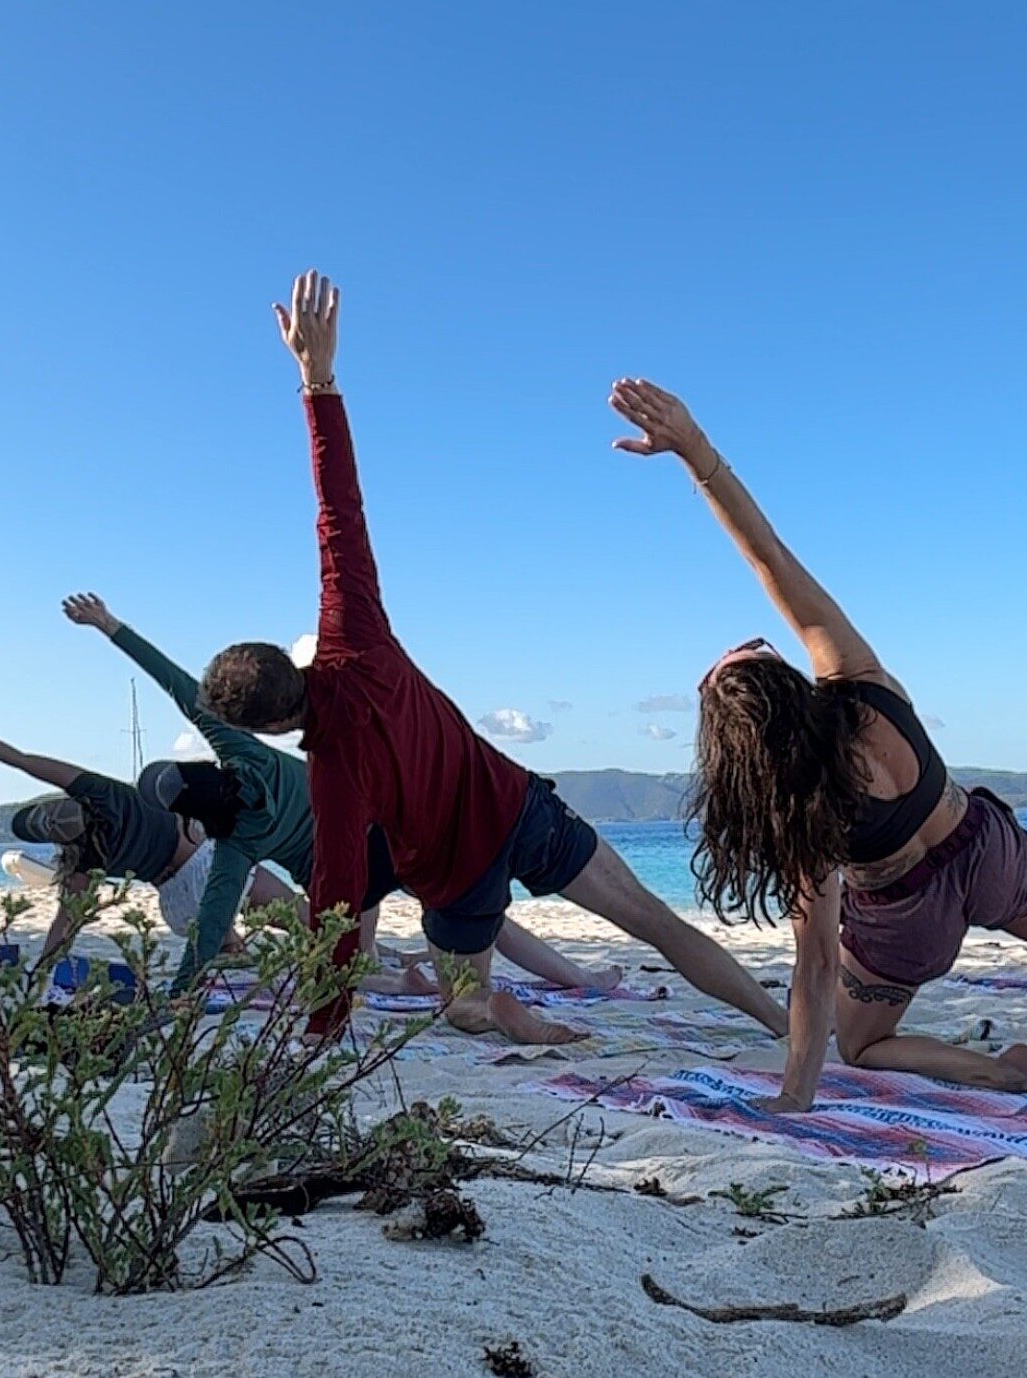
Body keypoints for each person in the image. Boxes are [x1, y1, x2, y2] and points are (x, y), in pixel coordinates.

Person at [195, 269, 788, 1046]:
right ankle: (786, 1022)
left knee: (464, 1003)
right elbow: (338, 509)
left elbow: (336, 902)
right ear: (287, 659)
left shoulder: (331, 772)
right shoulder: (354, 632)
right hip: (518, 806)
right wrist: (317, 380)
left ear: (273, 724)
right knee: (649, 918)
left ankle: (496, 1007)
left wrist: (321, 1024)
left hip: (458, 878)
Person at [608, 374, 1027, 1106]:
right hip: (987, 851)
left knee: (861, 1046)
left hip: (901, 922)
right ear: (786, 681)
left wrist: (795, 1097)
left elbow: (818, 964)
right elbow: (768, 556)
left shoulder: (798, 808)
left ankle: (1003, 1071)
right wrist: (693, 447)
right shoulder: (857, 680)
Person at [61, 593, 624, 998]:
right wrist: (111, 626)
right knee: (481, 915)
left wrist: (176, 996)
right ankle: (583, 979)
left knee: (333, 963)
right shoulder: (240, 749)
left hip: (345, 877)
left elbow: (210, 932)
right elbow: (181, 687)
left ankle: (398, 979)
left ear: (191, 820)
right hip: (385, 831)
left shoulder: (233, 844)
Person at [0, 714, 214, 956]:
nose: (53, 817)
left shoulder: (94, 791)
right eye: (47, 825)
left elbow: (20, 759)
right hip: (184, 888)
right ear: (58, 839)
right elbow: (64, 924)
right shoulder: (85, 861)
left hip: (198, 864)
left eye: (46, 812)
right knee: (229, 932)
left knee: (250, 907)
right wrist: (42, 975)